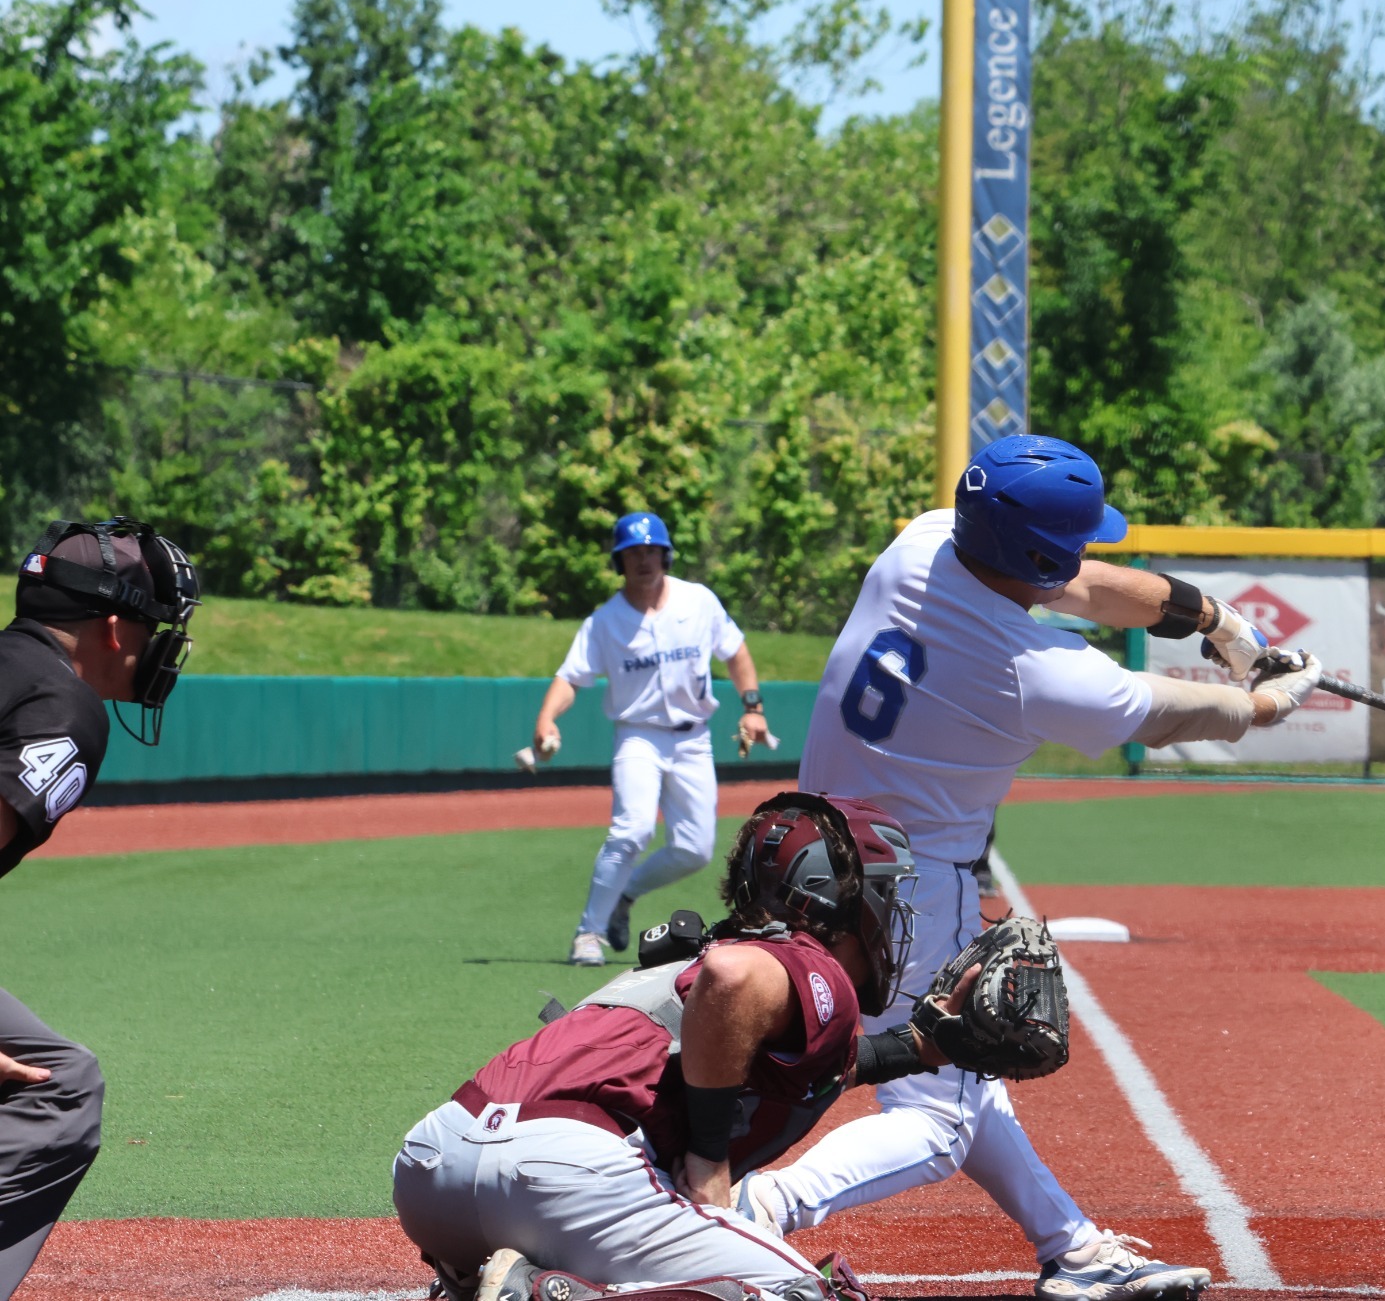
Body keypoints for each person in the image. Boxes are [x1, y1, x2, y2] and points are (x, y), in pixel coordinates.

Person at [734, 435, 1321, 1301]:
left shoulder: (922, 542)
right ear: (1039, 555)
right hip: (907, 891)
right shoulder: (1040, 671)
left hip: (806, 857)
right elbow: (1171, 713)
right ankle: (761, 1206)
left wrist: (1217, 621)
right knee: (936, 1118)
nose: (1081, 556)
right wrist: (1265, 700)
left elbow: (1086, 583)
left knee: (964, 1073)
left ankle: (1072, 1250)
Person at [393, 791, 974, 1301]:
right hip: (560, 1176)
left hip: (434, 1166)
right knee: (804, 1293)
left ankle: (488, 1278)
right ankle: (552, 1294)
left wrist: (917, 1046)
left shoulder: (686, 964)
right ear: (834, 899)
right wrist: (709, 1157)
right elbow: (733, 978)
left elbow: (776, 1064)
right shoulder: (799, 959)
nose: (890, 912)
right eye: (882, 890)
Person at [0, 517, 199, 1300]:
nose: (161, 645)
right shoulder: (62, 705)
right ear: (114, 629)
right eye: (155, 626)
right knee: (59, 1087)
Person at [533, 511, 774, 967]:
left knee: (695, 849)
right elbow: (571, 677)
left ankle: (623, 894)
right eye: (632, 553)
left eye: (651, 550)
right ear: (618, 562)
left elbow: (736, 652)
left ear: (665, 555)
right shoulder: (605, 621)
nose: (643, 560)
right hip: (638, 737)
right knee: (633, 829)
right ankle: (589, 933)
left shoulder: (697, 601)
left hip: (693, 739)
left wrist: (753, 707)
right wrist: (546, 718)